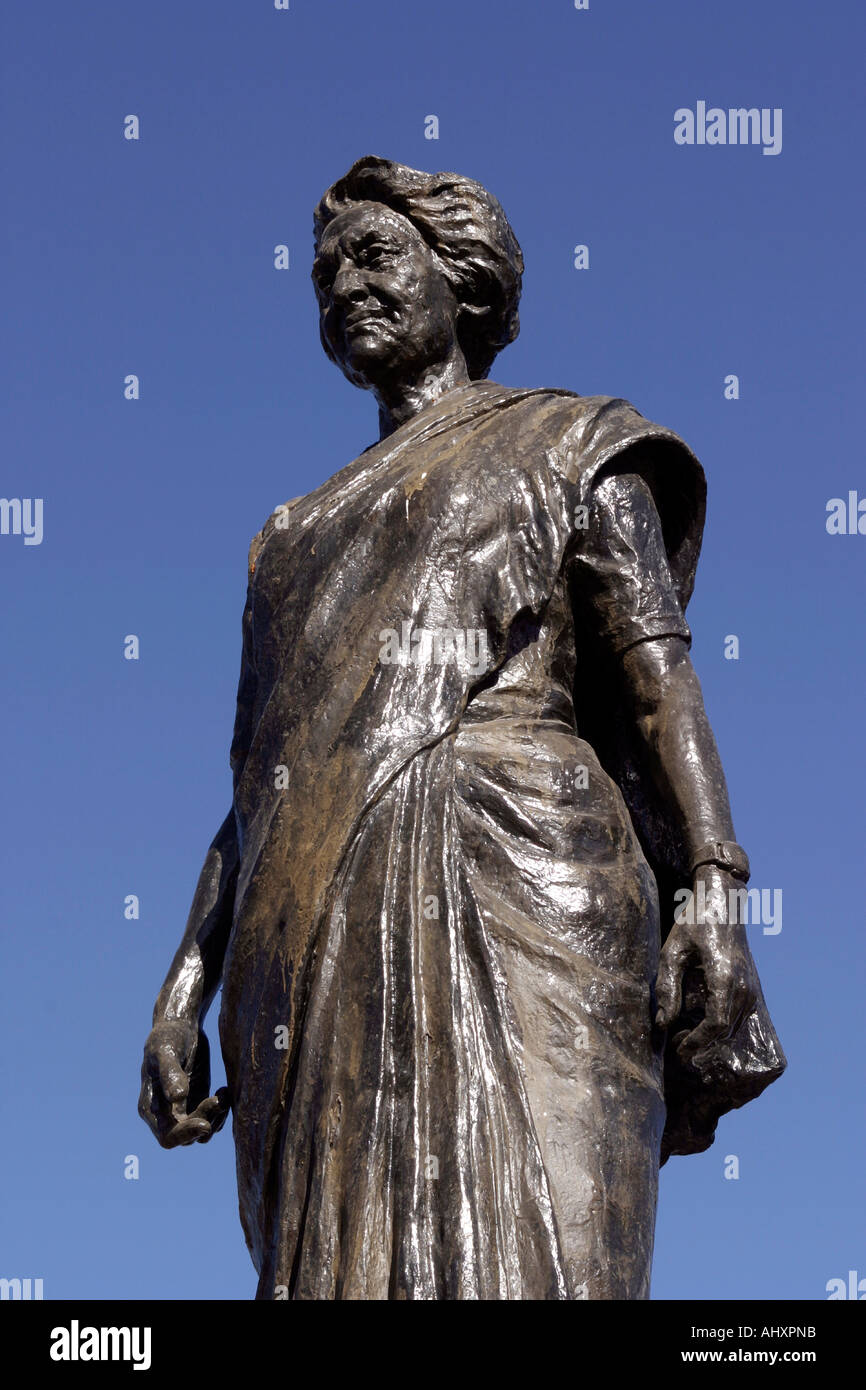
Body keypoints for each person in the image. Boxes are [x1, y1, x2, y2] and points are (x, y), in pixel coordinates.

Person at [139, 156, 785, 1300]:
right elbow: (260, 788)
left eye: (376, 254)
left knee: (562, 1257)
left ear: (464, 278)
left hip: (530, 878)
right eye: (323, 271)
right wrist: (184, 987)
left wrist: (713, 891)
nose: (344, 283)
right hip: (320, 929)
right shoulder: (288, 541)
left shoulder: (574, 442)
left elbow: (657, 684)